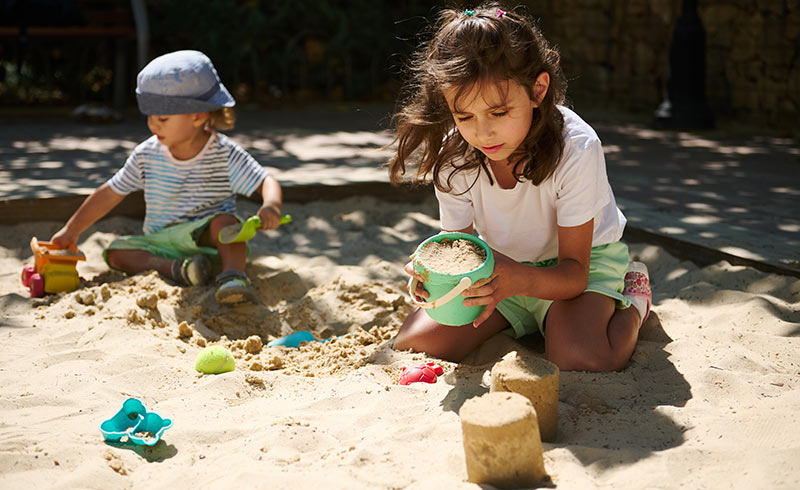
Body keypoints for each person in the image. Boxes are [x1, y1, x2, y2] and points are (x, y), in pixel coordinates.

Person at [387, 4, 652, 371]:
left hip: (578, 268)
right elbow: (458, 248)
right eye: (464, 116)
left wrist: (515, 281)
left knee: (582, 357)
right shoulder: (455, 156)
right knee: (416, 343)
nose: (483, 132)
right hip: (499, 270)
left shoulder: (576, 147)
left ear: (537, 90)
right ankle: (532, 321)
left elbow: (573, 273)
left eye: (498, 112)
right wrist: (435, 279)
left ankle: (636, 303)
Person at [51, 50, 284, 305]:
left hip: (211, 242)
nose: (153, 125)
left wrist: (270, 205)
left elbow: (265, 180)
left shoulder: (223, 153)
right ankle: (176, 268)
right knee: (116, 252)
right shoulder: (146, 155)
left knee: (226, 223)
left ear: (198, 115)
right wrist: (71, 231)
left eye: (162, 118)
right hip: (161, 241)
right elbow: (110, 193)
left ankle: (232, 277)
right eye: (149, 117)